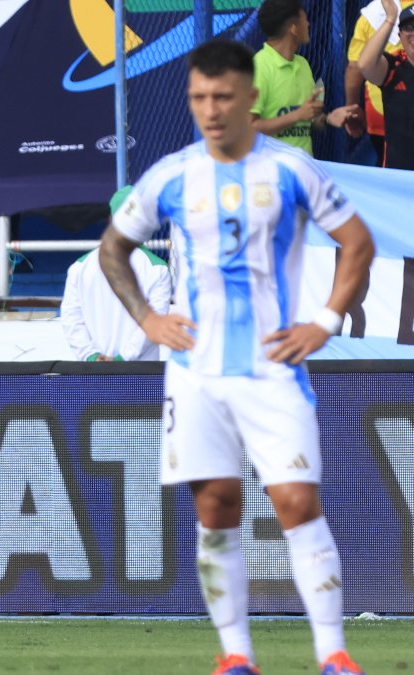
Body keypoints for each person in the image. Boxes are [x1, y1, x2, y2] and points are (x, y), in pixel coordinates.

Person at [99, 39, 373, 675]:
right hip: (196, 372)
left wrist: (326, 321)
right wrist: (146, 317)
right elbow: (113, 249)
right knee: (215, 507)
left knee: (297, 505)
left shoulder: (290, 170)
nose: (211, 110)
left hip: (274, 366)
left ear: (251, 97)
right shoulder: (170, 174)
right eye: (199, 98)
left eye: (222, 97)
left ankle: (333, 653)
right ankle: (237, 657)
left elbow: (355, 243)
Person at [60, 185, 171, 362]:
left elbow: (70, 319)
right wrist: (121, 359)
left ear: (111, 219)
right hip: (142, 376)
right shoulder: (157, 268)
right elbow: (154, 322)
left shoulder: (80, 267)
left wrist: (91, 357)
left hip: (94, 374)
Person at [251, 0, 359, 155]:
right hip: (272, 173)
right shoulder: (258, 67)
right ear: (293, 28)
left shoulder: (303, 65)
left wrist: (328, 118)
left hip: (305, 169)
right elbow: (248, 128)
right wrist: (297, 115)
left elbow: (307, 118)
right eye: (304, 19)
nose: (308, 24)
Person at [346, 0, 414, 165]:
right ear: (400, 36)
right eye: (408, 28)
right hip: (398, 177)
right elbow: (362, 65)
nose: (413, 34)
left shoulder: (370, 14)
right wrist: (390, 19)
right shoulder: (395, 68)